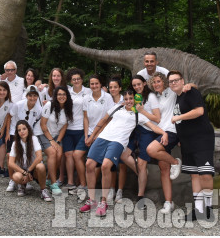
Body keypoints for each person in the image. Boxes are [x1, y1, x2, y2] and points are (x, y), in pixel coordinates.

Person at [79, 89, 167, 217]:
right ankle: (91, 200)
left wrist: (164, 133)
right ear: (123, 100)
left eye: (131, 99)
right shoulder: (117, 108)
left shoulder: (139, 115)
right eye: (126, 99)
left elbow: (153, 126)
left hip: (118, 142)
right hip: (103, 137)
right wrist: (92, 137)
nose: (128, 101)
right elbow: (102, 121)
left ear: (135, 100)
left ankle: (103, 202)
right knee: (89, 164)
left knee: (105, 166)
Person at [169, 70, 216, 221]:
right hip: (187, 141)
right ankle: (198, 210)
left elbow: (199, 111)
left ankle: (208, 209)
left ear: (183, 81)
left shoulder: (191, 92)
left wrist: (178, 117)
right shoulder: (178, 98)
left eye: (176, 80)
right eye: (171, 81)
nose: (174, 83)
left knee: (205, 173)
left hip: (202, 139)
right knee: (194, 175)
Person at [145, 71, 188, 214]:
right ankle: (169, 203)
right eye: (154, 82)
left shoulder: (172, 92)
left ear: (164, 82)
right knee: (164, 170)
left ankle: (176, 162)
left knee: (151, 150)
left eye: (158, 81)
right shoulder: (154, 97)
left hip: (171, 131)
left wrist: (189, 86)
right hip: (160, 133)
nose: (156, 84)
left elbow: (188, 86)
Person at [117, 74, 161, 209]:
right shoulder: (135, 97)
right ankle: (140, 172)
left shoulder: (151, 97)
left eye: (139, 84)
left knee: (142, 163)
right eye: (134, 85)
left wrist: (142, 111)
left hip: (148, 131)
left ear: (144, 83)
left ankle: (140, 196)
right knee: (123, 155)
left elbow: (157, 118)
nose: (137, 87)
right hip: (135, 130)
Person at [71, 74, 113, 200]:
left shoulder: (108, 98)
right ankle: (83, 185)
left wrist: (97, 135)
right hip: (89, 133)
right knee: (76, 155)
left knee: (93, 161)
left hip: (103, 133)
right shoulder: (86, 98)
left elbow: (109, 119)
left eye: (96, 83)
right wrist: (86, 136)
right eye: (92, 84)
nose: (94, 86)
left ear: (101, 84)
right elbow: (85, 118)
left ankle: (91, 190)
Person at [4, 85, 44, 192]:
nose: (32, 98)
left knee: (26, 155)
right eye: (30, 95)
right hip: (14, 131)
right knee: (10, 156)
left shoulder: (39, 109)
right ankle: (12, 180)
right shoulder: (18, 105)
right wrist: (8, 132)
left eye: (35, 96)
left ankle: (24, 181)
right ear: (26, 96)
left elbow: (38, 121)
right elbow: (9, 116)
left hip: (27, 133)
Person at [8, 120, 53, 202]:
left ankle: (43, 190)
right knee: (16, 176)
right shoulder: (15, 143)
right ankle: (22, 185)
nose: (22, 132)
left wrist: (29, 171)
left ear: (28, 129)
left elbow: (39, 157)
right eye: (19, 130)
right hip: (22, 170)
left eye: (24, 129)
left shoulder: (34, 139)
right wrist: (24, 173)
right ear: (17, 132)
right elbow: (11, 162)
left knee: (41, 166)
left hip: (33, 169)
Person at [39, 86, 72, 195]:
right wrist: (51, 141)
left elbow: (64, 126)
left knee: (59, 155)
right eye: (59, 94)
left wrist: (57, 141)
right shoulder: (49, 105)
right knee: (53, 153)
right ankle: (54, 183)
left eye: (64, 94)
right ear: (55, 96)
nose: (61, 96)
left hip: (57, 136)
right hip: (43, 133)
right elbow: (42, 124)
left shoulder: (67, 107)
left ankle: (48, 180)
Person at [0, 60, 26, 177]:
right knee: (3, 142)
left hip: (18, 117)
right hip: (4, 115)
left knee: (17, 143)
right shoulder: (2, 82)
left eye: (12, 70)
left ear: (16, 70)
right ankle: (3, 167)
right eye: (7, 70)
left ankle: (17, 168)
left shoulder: (22, 81)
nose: (9, 72)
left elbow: (34, 85)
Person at [63, 68, 89, 195]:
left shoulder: (88, 91)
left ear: (82, 79)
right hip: (68, 128)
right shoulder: (67, 92)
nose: (76, 81)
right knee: (68, 155)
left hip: (81, 129)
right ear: (71, 81)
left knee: (78, 156)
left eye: (78, 79)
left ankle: (81, 183)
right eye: (74, 79)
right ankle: (71, 182)